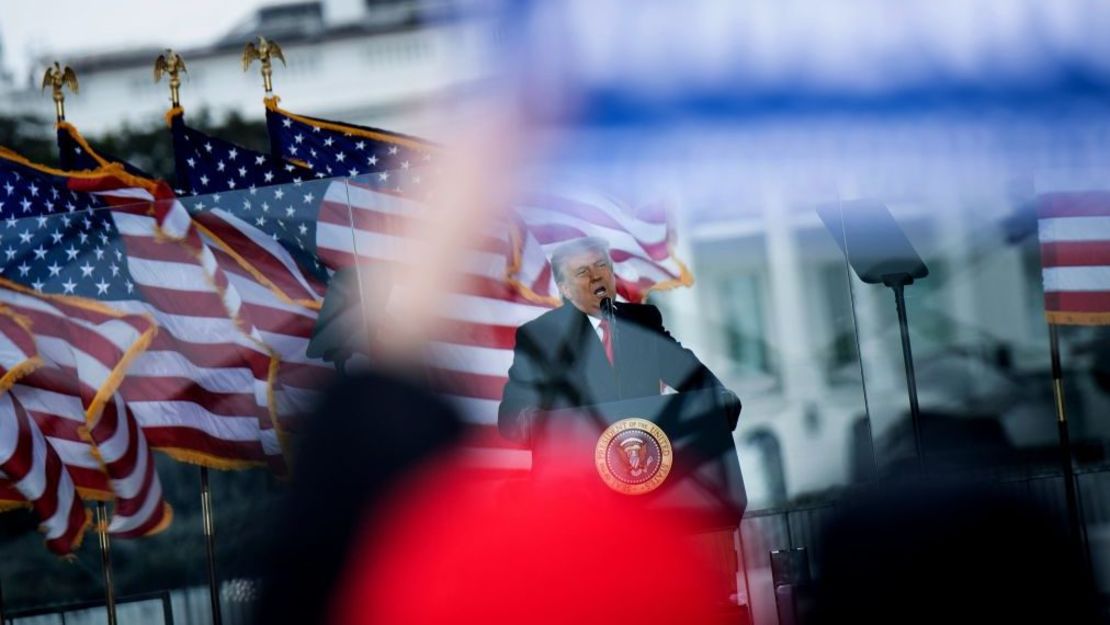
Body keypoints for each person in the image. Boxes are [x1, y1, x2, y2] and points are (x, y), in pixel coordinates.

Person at [498, 236, 740, 445]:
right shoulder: (542, 336)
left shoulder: (642, 322)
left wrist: (719, 398)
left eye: (601, 265)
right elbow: (512, 420)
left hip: (647, 468)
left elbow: (690, 377)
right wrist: (556, 426)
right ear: (566, 289)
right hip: (582, 481)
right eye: (582, 272)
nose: (595, 277)